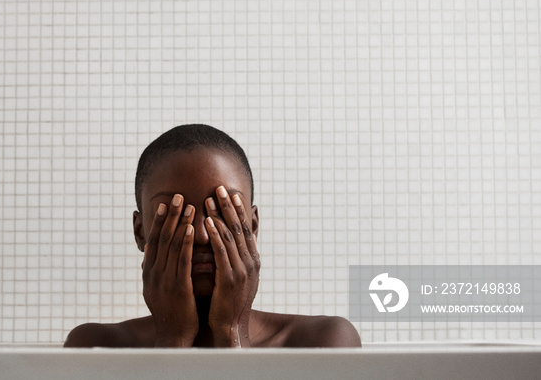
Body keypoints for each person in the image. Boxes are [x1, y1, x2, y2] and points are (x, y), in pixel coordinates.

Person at [65, 124, 361, 348]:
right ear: (141, 232)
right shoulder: (95, 345)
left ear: (252, 226)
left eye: (222, 211)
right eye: (177, 215)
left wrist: (232, 332)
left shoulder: (322, 342)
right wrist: (172, 340)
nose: (204, 236)